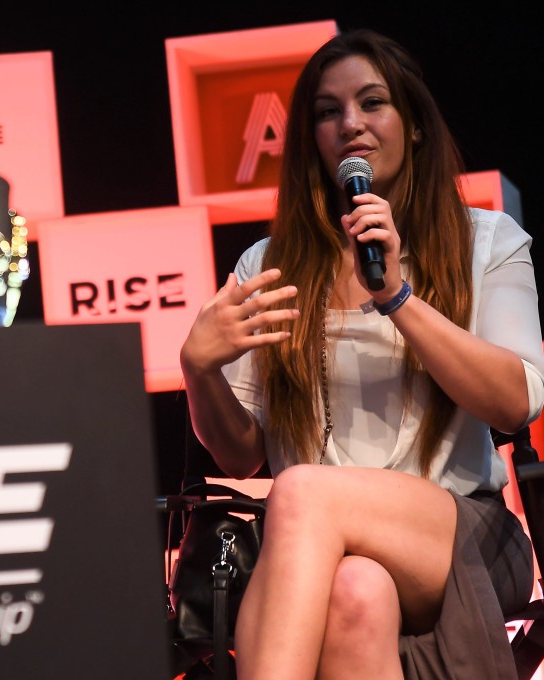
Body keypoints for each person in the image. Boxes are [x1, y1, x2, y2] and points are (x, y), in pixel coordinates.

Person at [179, 28, 544, 680]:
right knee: (357, 591)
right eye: (328, 111)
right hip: (319, 548)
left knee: (300, 492)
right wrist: (199, 369)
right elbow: (238, 453)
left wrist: (398, 296)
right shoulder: (268, 266)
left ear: (415, 124)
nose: (351, 124)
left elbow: (514, 402)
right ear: (310, 142)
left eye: (372, 102)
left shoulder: (487, 242)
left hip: (463, 533)